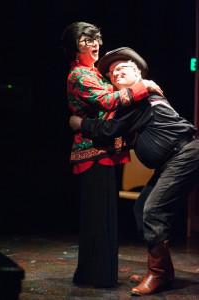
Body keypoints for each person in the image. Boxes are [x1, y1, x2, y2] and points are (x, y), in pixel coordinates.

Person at [69, 47, 199, 295]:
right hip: (173, 159)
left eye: (122, 68)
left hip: (185, 154)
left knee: (152, 211)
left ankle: (159, 275)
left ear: (138, 74)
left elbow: (109, 129)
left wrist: (81, 123)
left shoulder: (139, 98)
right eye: (111, 72)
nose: (115, 74)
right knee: (142, 208)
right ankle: (162, 270)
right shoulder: (134, 100)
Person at [62, 23, 161, 288]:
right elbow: (109, 102)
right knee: (97, 217)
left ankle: (97, 274)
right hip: (91, 153)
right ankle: (94, 276)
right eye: (87, 40)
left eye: (96, 39)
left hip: (104, 149)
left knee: (104, 217)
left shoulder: (95, 73)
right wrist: (145, 86)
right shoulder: (79, 76)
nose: (94, 44)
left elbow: (116, 98)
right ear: (75, 46)